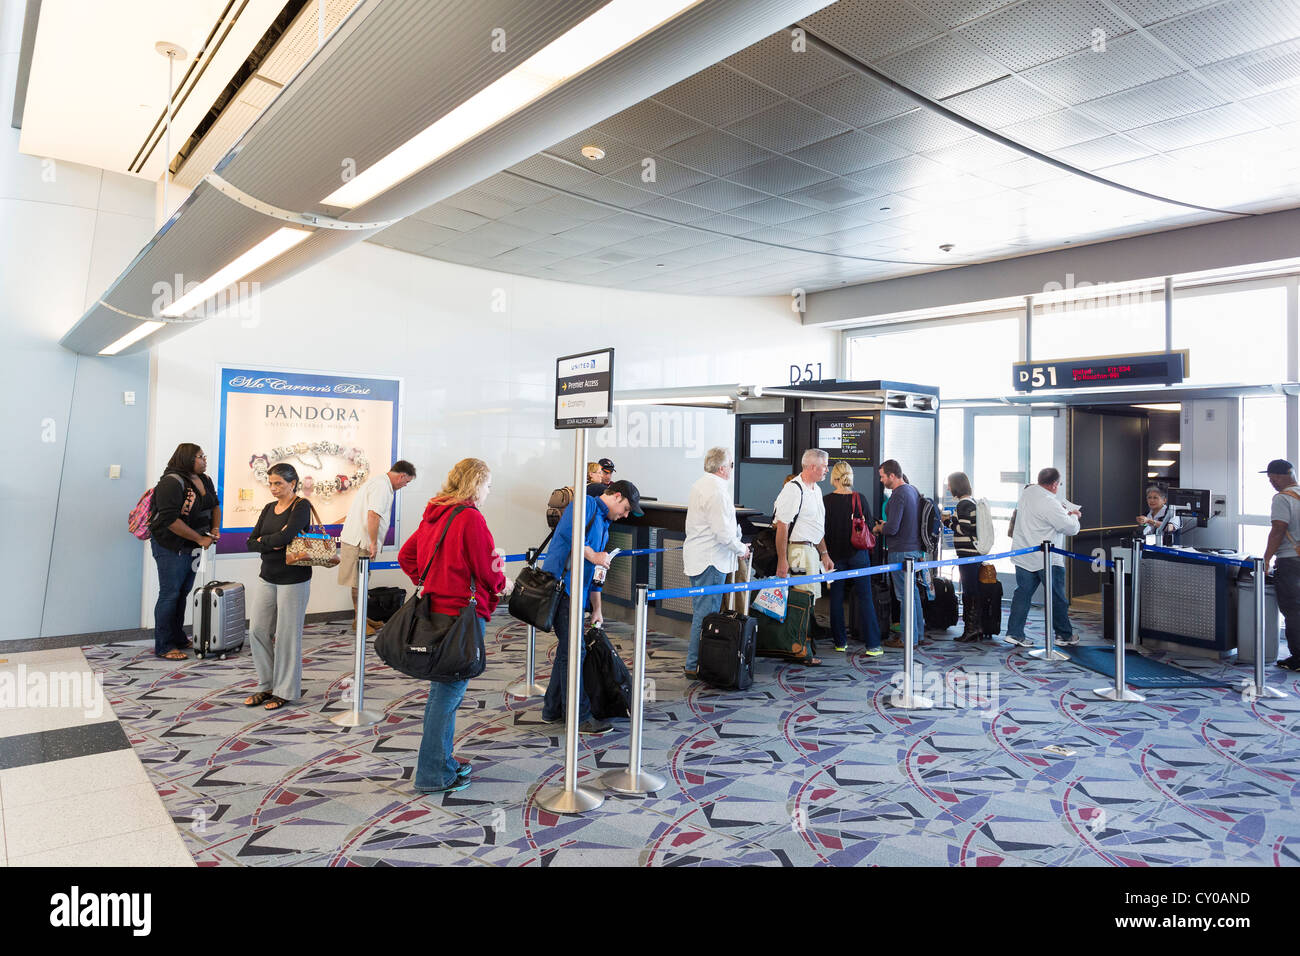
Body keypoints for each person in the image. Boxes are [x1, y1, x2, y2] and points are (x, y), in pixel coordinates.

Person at [397, 458, 510, 793]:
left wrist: (430, 582)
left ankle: (441, 761)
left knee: (441, 692)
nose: (489, 491)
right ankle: (433, 774)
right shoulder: (470, 518)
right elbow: (488, 570)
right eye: (488, 485)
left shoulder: (436, 513)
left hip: (436, 614)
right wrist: (500, 581)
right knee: (448, 696)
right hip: (461, 618)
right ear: (476, 484)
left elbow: (407, 556)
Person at [541, 479, 643, 734]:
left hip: (577, 593)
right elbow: (571, 535)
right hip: (562, 589)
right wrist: (593, 555)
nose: (626, 515)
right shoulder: (585, 504)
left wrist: (597, 608)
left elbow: (597, 573)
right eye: (627, 508)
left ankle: (552, 709)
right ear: (617, 496)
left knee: (569, 651)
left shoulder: (605, 525)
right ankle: (579, 716)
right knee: (576, 652)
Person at [243, 464, 313, 710]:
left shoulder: (301, 506)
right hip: (267, 576)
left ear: (292, 483)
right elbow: (250, 542)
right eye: (271, 483)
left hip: (294, 579)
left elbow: (287, 538)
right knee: (257, 631)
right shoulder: (268, 508)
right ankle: (267, 685)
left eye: (278, 484)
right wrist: (269, 542)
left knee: (286, 636)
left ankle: (285, 690)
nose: (273, 488)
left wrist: (268, 541)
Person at [682, 447, 751, 679]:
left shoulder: (700, 484)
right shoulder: (717, 491)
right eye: (731, 465)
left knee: (702, 611)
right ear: (722, 468)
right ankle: (694, 664)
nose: (732, 469)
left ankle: (698, 661)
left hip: (700, 557)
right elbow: (723, 533)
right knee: (706, 614)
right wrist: (742, 549)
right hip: (711, 560)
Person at [149, 443, 221, 660]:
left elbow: (215, 506)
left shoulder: (205, 480)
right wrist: (200, 538)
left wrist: (214, 529)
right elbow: (170, 520)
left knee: (182, 593)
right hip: (171, 546)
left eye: (204, 456)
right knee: (170, 594)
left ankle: (178, 637)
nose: (204, 460)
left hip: (193, 546)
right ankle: (164, 645)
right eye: (200, 456)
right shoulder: (171, 482)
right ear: (187, 458)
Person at [338, 460, 417, 633]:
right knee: (358, 582)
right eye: (407, 482)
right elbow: (373, 515)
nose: (405, 485)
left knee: (362, 581)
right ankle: (359, 622)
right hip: (360, 541)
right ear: (402, 475)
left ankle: (361, 617)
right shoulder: (382, 486)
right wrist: (373, 543)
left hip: (360, 540)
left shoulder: (380, 483)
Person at [1006, 467, 1081, 648]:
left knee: (1022, 594)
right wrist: (1075, 516)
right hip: (1046, 558)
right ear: (1055, 484)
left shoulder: (1028, 493)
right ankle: (1064, 635)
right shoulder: (1049, 502)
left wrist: (1061, 511)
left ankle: (1014, 633)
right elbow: (1070, 528)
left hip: (1024, 554)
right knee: (1057, 597)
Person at [774, 449, 834, 662]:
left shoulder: (816, 490)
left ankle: (804, 645)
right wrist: (783, 560)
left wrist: (824, 554)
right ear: (811, 467)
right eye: (824, 465)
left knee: (810, 599)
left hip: (811, 552)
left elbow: (816, 527)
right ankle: (798, 648)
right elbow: (782, 527)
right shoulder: (793, 490)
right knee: (801, 599)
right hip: (798, 552)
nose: (827, 469)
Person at [823, 461, 881, 655]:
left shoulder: (826, 501)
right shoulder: (860, 498)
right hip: (858, 554)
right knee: (865, 597)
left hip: (834, 556)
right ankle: (873, 645)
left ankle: (840, 642)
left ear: (834, 477)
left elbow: (821, 529)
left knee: (836, 598)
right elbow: (871, 525)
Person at [874, 460, 925, 647]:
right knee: (913, 594)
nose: (881, 480)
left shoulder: (897, 495)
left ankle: (906, 638)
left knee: (904, 596)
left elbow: (893, 528)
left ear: (892, 476)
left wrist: (880, 528)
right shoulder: (912, 490)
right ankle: (917, 634)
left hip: (900, 551)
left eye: (882, 476)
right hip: (913, 548)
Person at [1262, 460, 1300, 672]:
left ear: (1280, 476)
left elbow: (1278, 529)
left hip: (1290, 559)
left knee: (1293, 609)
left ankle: (1298, 658)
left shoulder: (1283, 498)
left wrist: (1266, 558)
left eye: (1272, 478)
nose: (1272, 482)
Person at [945, 472, 984, 643]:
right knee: (972, 590)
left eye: (949, 484)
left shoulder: (963, 504)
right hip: (972, 553)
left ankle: (971, 629)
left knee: (970, 591)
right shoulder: (971, 502)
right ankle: (975, 627)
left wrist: (948, 522)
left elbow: (965, 529)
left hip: (967, 553)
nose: (948, 487)